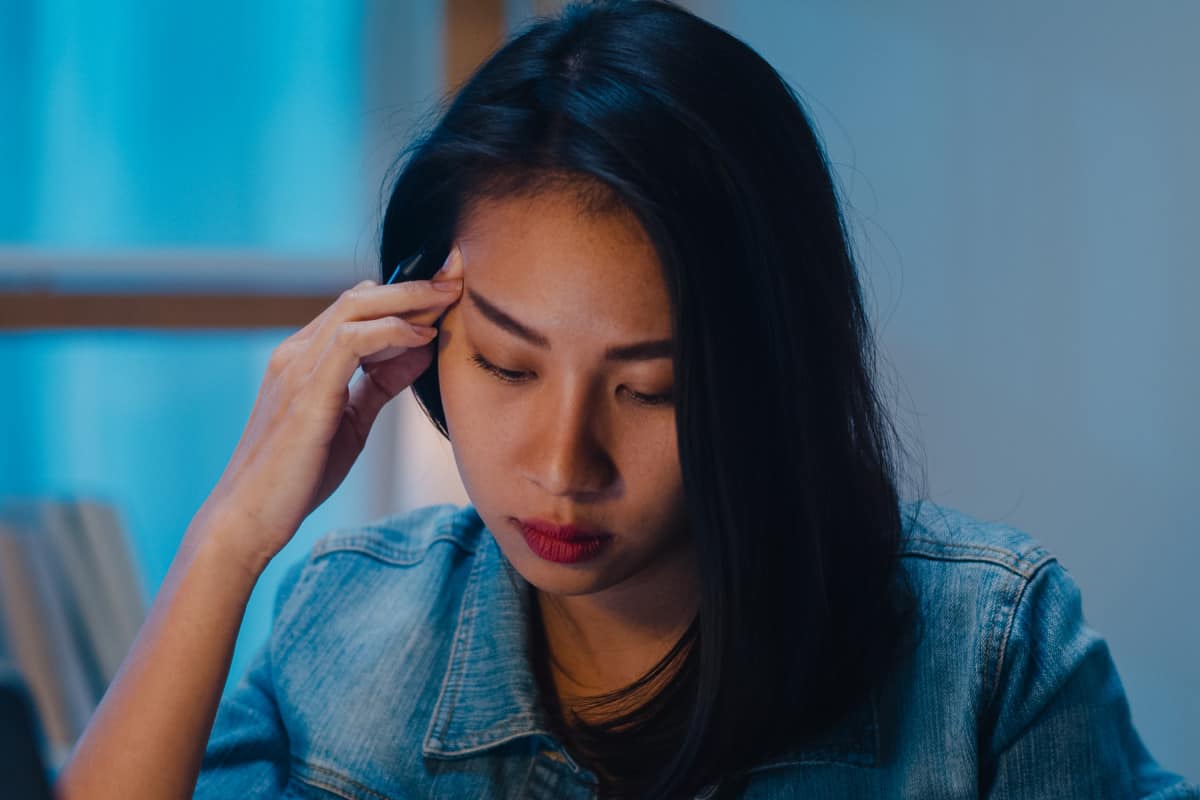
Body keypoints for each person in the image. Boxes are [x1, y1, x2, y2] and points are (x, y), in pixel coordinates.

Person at [54, 1, 1197, 798]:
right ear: (423, 332)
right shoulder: (349, 624)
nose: (563, 461)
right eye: (505, 365)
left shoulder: (989, 653)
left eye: (652, 389)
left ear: (768, 378)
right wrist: (230, 539)